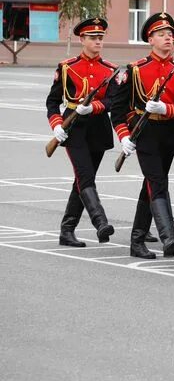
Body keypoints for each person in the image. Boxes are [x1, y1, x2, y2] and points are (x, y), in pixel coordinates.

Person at [108, 12, 174, 259]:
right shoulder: (134, 70)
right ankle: (168, 236)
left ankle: (137, 240)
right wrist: (124, 136)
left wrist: (167, 109)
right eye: (162, 34)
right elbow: (118, 109)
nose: (168, 39)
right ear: (150, 39)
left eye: (171, 35)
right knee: (157, 183)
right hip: (145, 134)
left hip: (169, 133)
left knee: (151, 186)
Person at [46, 17, 118, 247]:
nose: (98, 42)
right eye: (93, 38)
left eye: (100, 38)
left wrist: (94, 107)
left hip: (98, 128)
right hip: (74, 128)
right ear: (82, 39)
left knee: (83, 179)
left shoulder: (110, 70)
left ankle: (67, 230)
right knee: (85, 176)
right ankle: (100, 222)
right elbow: (52, 102)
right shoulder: (67, 67)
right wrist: (57, 124)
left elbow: (113, 101)